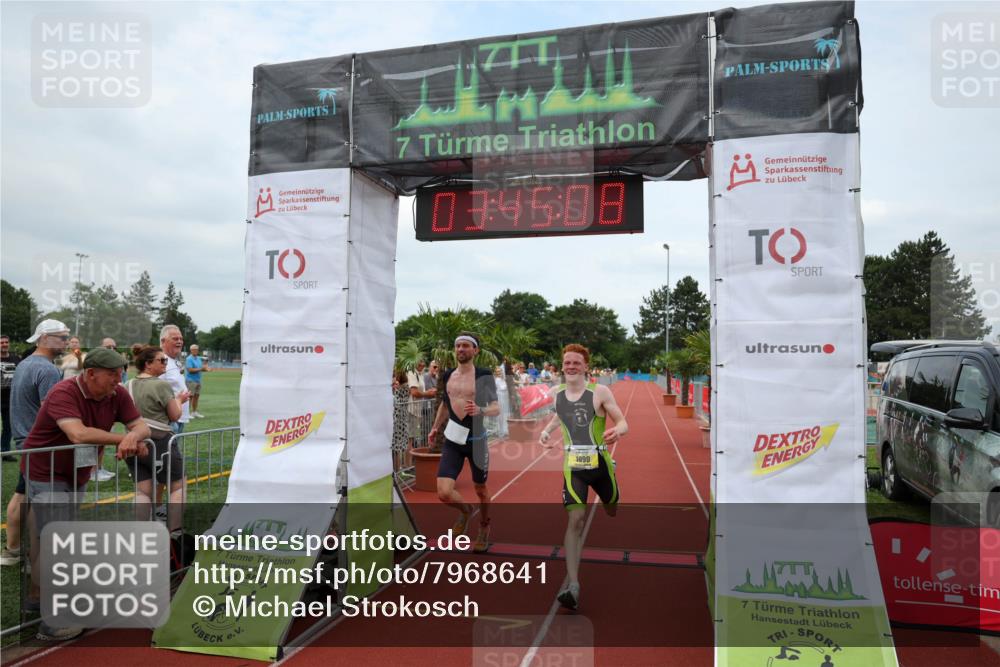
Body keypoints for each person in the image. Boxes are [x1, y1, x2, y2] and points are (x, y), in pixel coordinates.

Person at [21, 347, 150, 641]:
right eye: (113, 375)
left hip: (77, 471)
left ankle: (36, 598)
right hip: (46, 469)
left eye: (121, 374)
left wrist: (133, 435)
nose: (119, 380)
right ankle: (53, 622)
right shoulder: (63, 392)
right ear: (90, 373)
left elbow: (140, 425)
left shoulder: (117, 394)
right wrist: (124, 439)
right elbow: (78, 434)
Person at [537, 343, 628, 610]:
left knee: (611, 508)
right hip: (573, 466)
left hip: (600, 463)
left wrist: (618, 431)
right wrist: (546, 432)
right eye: (567, 363)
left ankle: (612, 478)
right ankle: (573, 585)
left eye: (576, 363)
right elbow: (559, 416)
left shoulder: (600, 392)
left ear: (586, 366)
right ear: (562, 366)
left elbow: (623, 421)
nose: (571, 367)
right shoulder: (556, 393)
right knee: (575, 520)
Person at [0, 320, 69, 567]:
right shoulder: (47, 370)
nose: (66, 341)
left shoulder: (25, 364)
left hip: (26, 440)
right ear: (44, 339)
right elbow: (51, 411)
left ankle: (12, 550)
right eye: (61, 337)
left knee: (22, 494)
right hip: (41, 444)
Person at [427, 333, 499, 553]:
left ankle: (484, 527)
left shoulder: (484, 375)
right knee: (444, 492)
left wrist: (481, 410)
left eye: (466, 346)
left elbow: (496, 408)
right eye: (457, 345)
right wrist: (435, 427)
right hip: (453, 439)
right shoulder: (448, 374)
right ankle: (466, 511)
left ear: (475, 350)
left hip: (476, 439)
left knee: (481, 489)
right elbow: (445, 405)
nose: (461, 349)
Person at [125, 345, 187, 532]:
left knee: (143, 491)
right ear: (148, 364)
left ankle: (141, 533)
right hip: (161, 442)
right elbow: (175, 415)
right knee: (177, 486)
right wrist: (179, 400)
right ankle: (175, 532)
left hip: (133, 441)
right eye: (162, 360)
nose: (165, 364)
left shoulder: (128, 384)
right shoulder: (161, 385)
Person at [159, 325, 191, 433]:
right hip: (169, 420)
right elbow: (156, 391)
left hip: (179, 417)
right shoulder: (161, 361)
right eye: (175, 339)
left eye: (181, 339)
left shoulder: (175, 361)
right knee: (169, 449)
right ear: (163, 341)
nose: (180, 341)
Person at [1, 334, 22, 461]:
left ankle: (4, 452)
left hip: (10, 399)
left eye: (6, 342)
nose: (4, 344)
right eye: (1, 342)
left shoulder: (15, 358)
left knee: (8, 427)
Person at [407, 360, 435, 447]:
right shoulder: (411, 372)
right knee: (409, 440)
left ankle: (412, 459)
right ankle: (410, 460)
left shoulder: (420, 374)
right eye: (420, 362)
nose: (422, 364)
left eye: (423, 362)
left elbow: (420, 391)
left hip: (417, 411)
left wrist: (428, 392)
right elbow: (414, 392)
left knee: (412, 438)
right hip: (410, 410)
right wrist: (427, 393)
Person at [185, 343, 209, 418]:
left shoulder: (198, 358)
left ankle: (194, 412)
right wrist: (201, 369)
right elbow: (190, 370)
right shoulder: (189, 359)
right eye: (194, 349)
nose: (195, 351)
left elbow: (199, 369)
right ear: (191, 350)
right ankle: (187, 413)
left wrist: (206, 370)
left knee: (196, 396)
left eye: (197, 349)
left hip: (198, 380)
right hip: (190, 381)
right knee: (190, 397)